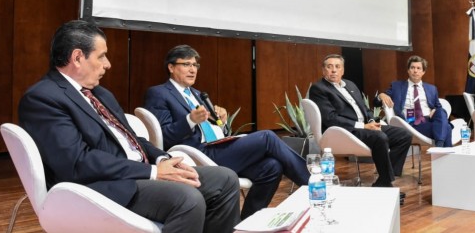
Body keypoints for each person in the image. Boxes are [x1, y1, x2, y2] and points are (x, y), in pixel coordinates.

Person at [18, 20, 240, 233]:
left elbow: (133, 140)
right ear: (77, 57)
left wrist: (163, 160)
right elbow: (77, 162)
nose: (108, 64)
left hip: (136, 172)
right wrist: (152, 172)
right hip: (101, 186)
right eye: (102, 56)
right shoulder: (43, 98)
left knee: (226, 179)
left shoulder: (100, 93)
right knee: (188, 199)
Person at [144, 45, 310, 219]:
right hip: (197, 154)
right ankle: (312, 185)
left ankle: (246, 224)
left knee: (271, 167)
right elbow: (163, 137)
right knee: (267, 136)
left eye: (195, 65)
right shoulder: (159, 93)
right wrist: (190, 120)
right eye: (186, 64)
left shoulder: (198, 94)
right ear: (171, 67)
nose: (192, 69)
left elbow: (212, 128)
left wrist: (221, 122)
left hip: (217, 146)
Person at [308, 54, 412, 195]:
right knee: (379, 137)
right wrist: (362, 126)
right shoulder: (319, 89)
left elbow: (364, 109)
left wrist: (370, 122)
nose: (333, 70)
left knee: (403, 135)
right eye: (329, 66)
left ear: (343, 70)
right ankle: (385, 182)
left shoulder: (350, 85)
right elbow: (330, 118)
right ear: (323, 70)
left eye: (337, 67)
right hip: (344, 131)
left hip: (364, 127)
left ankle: (385, 178)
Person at [376, 56, 453, 147]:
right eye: (412, 68)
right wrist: (380, 96)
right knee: (447, 127)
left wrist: (435, 110)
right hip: (410, 123)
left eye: (418, 68)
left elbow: (438, 107)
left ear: (423, 72)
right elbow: (376, 103)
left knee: (441, 111)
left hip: (428, 120)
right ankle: (440, 146)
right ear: (408, 70)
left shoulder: (432, 89)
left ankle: (439, 146)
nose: (415, 71)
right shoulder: (396, 86)